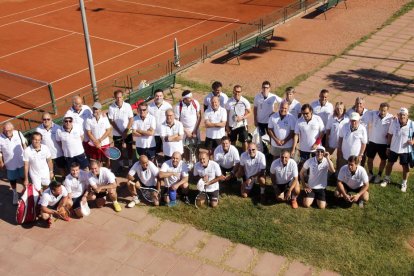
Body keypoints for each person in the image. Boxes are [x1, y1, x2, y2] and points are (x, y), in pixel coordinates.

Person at [380, 107, 413, 192]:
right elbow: (390, 135)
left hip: (405, 150)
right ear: (398, 115)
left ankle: (404, 183)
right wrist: (388, 147)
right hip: (393, 149)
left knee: (405, 167)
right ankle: (386, 179)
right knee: (389, 164)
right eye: (401, 114)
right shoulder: (394, 122)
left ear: (407, 115)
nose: (402, 116)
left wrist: (413, 141)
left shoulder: (412, 124)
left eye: (404, 115)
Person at [364, 103, 393, 183]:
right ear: (379, 109)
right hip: (372, 141)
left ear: (387, 110)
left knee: (383, 160)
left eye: (384, 111)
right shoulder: (373, 113)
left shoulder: (391, 118)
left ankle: (379, 175)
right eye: (381, 110)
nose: (382, 112)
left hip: (383, 143)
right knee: (369, 159)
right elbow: (363, 109)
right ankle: (370, 173)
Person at [0, 122, 27, 204]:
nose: (7, 132)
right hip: (10, 164)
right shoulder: (0, 137)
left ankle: (25, 192)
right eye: (5, 130)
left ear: (13, 129)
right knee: (12, 180)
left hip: (21, 161)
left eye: (9, 130)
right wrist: (1, 162)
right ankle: (15, 193)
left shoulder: (18, 133)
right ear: (3, 130)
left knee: (23, 178)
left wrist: (27, 157)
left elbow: (24, 145)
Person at [292, 104, 324, 169]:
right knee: (304, 166)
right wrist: (293, 148)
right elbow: (296, 135)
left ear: (311, 111)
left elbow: (322, 132)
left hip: (316, 149)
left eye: (307, 113)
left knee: (316, 166)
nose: (305, 115)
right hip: (303, 149)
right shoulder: (299, 121)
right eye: (303, 114)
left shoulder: (318, 119)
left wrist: (316, 143)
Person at [108, 90, 134, 168]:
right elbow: (111, 121)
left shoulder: (128, 106)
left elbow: (131, 119)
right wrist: (120, 132)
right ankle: (121, 164)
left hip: (128, 132)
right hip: (117, 133)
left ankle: (130, 161)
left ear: (123, 97)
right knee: (118, 149)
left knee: (129, 147)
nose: (119, 99)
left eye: (120, 97)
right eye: (117, 97)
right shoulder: (111, 107)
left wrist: (126, 131)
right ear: (114, 98)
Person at [36, 112, 65, 177]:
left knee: (61, 168)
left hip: (58, 153)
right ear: (42, 120)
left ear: (51, 119)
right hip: (46, 155)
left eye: (48, 119)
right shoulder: (38, 130)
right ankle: (52, 183)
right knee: (49, 170)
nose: (46, 121)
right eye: (44, 119)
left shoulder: (58, 128)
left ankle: (64, 180)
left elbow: (62, 141)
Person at [84, 102, 111, 166]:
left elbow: (108, 130)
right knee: (97, 160)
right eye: (93, 109)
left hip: (105, 143)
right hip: (94, 144)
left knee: (107, 159)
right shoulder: (88, 119)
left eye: (96, 109)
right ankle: (99, 172)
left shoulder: (104, 118)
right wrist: (95, 142)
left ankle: (108, 170)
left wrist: (99, 140)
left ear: (100, 110)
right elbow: (89, 132)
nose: (94, 110)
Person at [226, 85, 251, 152]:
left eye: (239, 91)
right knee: (232, 142)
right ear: (233, 91)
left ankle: (245, 155)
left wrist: (242, 118)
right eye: (235, 91)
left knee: (244, 142)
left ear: (241, 92)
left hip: (242, 125)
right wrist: (227, 126)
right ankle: (233, 155)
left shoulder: (245, 101)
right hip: (232, 125)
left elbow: (250, 113)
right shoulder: (229, 102)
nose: (237, 93)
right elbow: (227, 114)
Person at [148, 89, 172, 155]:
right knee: (154, 150)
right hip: (154, 133)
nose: (159, 97)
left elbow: (171, 119)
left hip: (164, 132)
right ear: (154, 96)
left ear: (163, 96)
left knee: (166, 149)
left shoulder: (168, 106)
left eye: (160, 96)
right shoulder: (149, 107)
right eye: (157, 96)